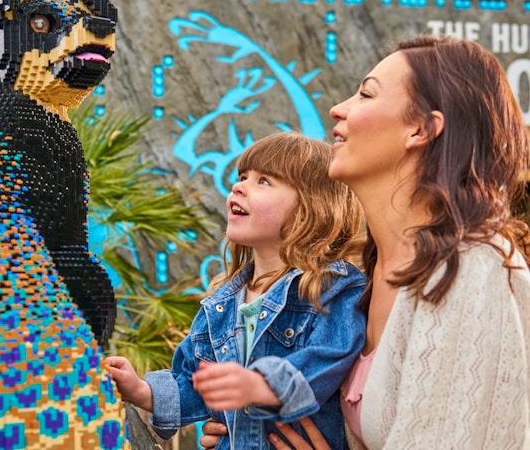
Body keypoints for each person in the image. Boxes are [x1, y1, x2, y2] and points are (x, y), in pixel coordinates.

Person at [201, 35, 530, 449]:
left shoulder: (471, 270)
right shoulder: (364, 278)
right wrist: (243, 426)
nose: (339, 108)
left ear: (420, 129)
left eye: (365, 94)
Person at [106, 132, 367, 450]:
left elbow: (329, 357)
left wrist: (259, 384)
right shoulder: (221, 303)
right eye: (242, 176)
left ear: (311, 208)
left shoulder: (331, 288)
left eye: (265, 181)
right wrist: (143, 392)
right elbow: (194, 381)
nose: (239, 186)